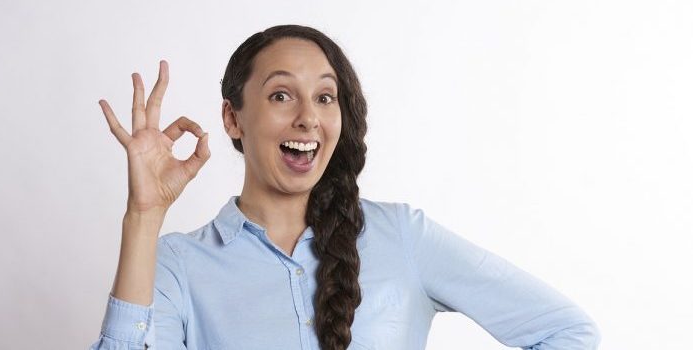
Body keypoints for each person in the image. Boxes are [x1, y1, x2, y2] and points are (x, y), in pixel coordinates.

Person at [90, 25, 600, 350]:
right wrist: (144, 214)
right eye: (282, 95)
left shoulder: (401, 236)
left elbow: (568, 334)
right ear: (233, 118)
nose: (308, 118)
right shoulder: (177, 266)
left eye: (326, 97)